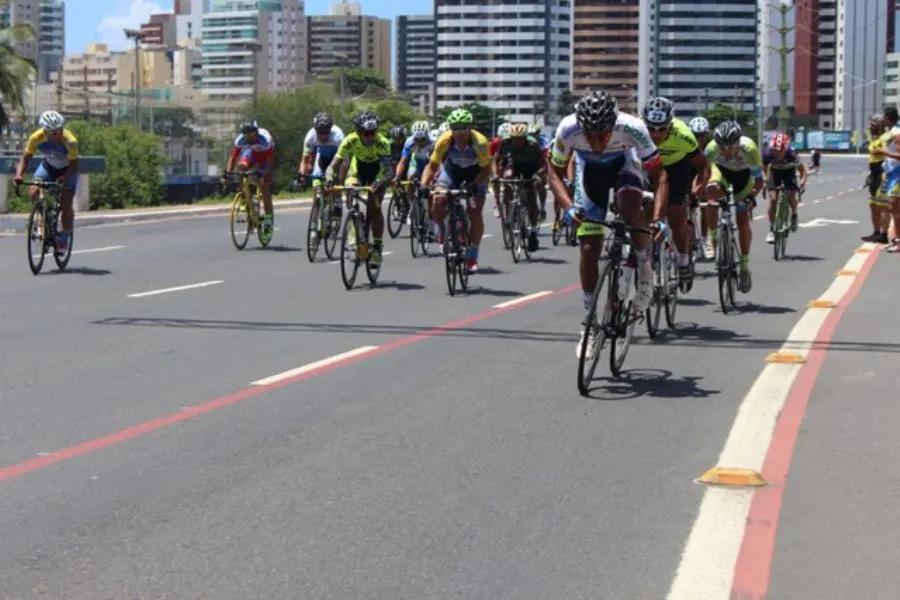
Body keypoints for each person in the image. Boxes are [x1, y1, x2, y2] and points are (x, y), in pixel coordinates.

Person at [547, 90, 668, 358]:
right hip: (589, 172)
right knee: (589, 247)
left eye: (603, 136)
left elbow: (660, 176)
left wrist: (658, 219)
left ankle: (645, 272)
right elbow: (553, 172)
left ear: (614, 126)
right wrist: (568, 207)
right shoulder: (568, 128)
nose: (596, 142)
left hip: (625, 165)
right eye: (589, 135)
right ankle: (589, 324)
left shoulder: (632, 128)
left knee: (629, 211)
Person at [641, 97, 709, 288]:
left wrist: (695, 192)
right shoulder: (637, 132)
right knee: (643, 211)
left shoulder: (683, 136)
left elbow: (703, 167)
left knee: (676, 214)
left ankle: (683, 260)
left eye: (662, 129)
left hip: (677, 169)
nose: (656, 134)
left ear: (670, 125)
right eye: (651, 129)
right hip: (649, 168)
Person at [421, 108, 493, 272]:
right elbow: (432, 166)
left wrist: (475, 185)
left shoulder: (480, 142)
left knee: (475, 212)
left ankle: (473, 253)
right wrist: (424, 185)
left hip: (476, 173)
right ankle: (443, 232)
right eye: (455, 128)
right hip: (452, 171)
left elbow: (486, 169)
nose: (459, 132)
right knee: (437, 200)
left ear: (469, 128)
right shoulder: (444, 140)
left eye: (463, 127)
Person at [326, 110, 393, 266]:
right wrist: (329, 177)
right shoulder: (350, 141)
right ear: (359, 132)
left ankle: (376, 248)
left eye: (373, 132)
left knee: (374, 207)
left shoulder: (382, 142)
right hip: (359, 169)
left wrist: (381, 181)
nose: (370, 137)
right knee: (350, 187)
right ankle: (354, 225)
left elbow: (389, 170)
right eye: (366, 133)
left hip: (377, 172)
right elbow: (333, 165)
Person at [704, 120, 764, 292]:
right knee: (712, 194)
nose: (727, 151)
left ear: (738, 143)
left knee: (742, 217)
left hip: (743, 179)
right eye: (722, 147)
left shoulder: (750, 150)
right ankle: (712, 236)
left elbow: (759, 181)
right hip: (721, 174)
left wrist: (751, 197)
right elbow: (704, 173)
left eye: (731, 147)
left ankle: (744, 267)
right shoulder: (711, 149)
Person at [15, 110, 79, 255]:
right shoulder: (36, 137)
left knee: (66, 202)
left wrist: (64, 178)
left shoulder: (70, 141)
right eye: (54, 133)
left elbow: (74, 165)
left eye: (60, 130)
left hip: (67, 170)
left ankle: (64, 236)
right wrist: (19, 175)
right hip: (48, 167)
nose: (58, 135)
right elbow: (25, 159)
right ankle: (42, 220)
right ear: (45, 131)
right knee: (33, 191)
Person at [491, 123, 547, 252]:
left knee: (531, 197)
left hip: (530, 168)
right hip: (512, 166)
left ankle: (533, 232)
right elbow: (495, 160)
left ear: (525, 138)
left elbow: (544, 165)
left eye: (520, 139)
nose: (517, 142)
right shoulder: (505, 144)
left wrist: (538, 175)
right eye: (514, 139)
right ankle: (509, 208)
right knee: (507, 177)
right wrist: (495, 175)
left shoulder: (533, 146)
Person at [224, 120, 276, 238]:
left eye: (252, 134)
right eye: (247, 135)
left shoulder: (265, 140)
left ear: (256, 132)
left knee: (264, 187)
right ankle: (244, 195)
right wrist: (227, 174)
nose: (250, 137)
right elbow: (233, 158)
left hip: (265, 159)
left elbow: (270, 162)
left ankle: (268, 220)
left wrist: (265, 175)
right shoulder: (240, 140)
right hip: (251, 155)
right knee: (241, 167)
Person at [763, 132, 807, 243]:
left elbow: (803, 171)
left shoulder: (792, 155)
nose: (777, 153)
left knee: (791, 197)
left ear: (785, 149)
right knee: (773, 200)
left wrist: (802, 183)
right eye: (775, 151)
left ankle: (794, 213)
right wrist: (765, 180)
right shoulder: (767, 154)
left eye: (780, 151)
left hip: (789, 174)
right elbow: (763, 168)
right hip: (775, 174)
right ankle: (772, 229)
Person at [870, 106, 900, 251]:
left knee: (894, 208)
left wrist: (883, 151)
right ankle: (896, 240)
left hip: (897, 172)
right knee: (892, 207)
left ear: (888, 118)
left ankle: (897, 240)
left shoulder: (896, 133)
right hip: (890, 173)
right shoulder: (891, 132)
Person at [297, 112, 344, 197]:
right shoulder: (310, 137)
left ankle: (337, 200)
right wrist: (302, 176)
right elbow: (304, 160)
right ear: (315, 129)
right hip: (322, 155)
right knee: (316, 180)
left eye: (326, 132)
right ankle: (318, 204)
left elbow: (343, 160)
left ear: (330, 129)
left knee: (337, 180)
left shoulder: (338, 136)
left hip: (337, 156)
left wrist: (339, 177)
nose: (323, 136)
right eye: (320, 132)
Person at [688, 116, 715, 257]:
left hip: (705, 174)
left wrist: (699, 190)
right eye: (695, 136)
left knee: (705, 206)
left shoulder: (710, 149)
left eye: (702, 136)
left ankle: (704, 239)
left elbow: (708, 172)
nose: (699, 139)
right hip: (689, 174)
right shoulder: (685, 146)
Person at [863, 115, 889, 243]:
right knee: (873, 205)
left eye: (873, 125)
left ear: (880, 126)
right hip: (873, 173)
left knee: (882, 205)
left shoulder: (886, 138)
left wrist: (880, 150)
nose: (870, 127)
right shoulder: (874, 139)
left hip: (882, 173)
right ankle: (876, 232)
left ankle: (884, 235)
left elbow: (886, 151)